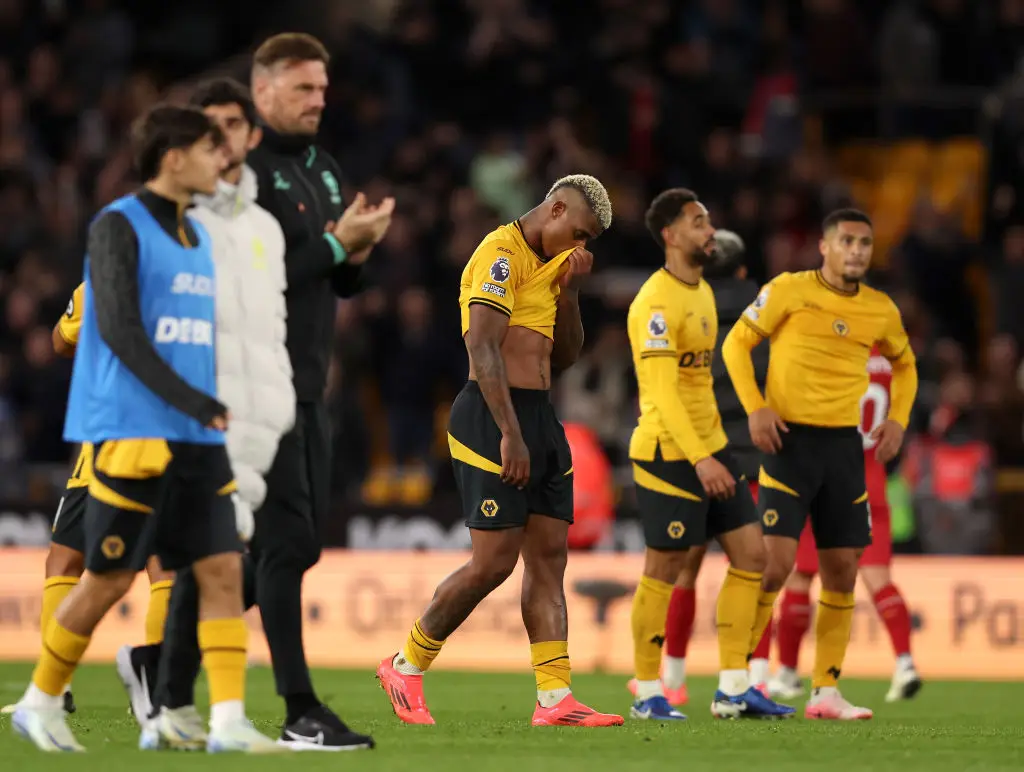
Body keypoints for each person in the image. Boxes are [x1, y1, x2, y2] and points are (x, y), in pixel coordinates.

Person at [11, 104, 277, 753]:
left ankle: (221, 721)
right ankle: (42, 701)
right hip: (133, 431)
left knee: (220, 571)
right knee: (104, 578)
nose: (221, 162)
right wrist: (191, 396)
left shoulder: (199, 237)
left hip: (197, 432)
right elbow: (125, 334)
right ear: (172, 156)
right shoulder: (118, 227)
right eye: (209, 150)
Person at [377, 175, 623, 728]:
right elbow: (482, 348)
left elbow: (564, 358)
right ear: (556, 208)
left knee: (549, 559)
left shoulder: (554, 265)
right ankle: (405, 665)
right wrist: (509, 432)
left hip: (540, 415)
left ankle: (555, 698)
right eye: (578, 234)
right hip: (492, 416)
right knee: (493, 564)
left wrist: (571, 293)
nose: (580, 247)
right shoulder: (500, 254)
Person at [113, 78, 298, 751]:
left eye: (232, 128)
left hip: (259, 414)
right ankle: (178, 701)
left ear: (251, 136)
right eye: (207, 132)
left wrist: (274, 399)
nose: (220, 145)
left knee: (221, 561)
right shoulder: (177, 223)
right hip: (200, 414)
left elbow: (268, 324)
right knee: (211, 561)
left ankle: (165, 691)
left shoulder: (265, 228)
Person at [245, 32, 393, 750]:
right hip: (254, 383)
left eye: (322, 92)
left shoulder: (323, 170)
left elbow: (334, 277)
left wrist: (355, 252)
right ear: (263, 89)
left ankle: (160, 657)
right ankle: (299, 708)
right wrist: (338, 246)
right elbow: (264, 273)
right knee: (288, 542)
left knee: (296, 549)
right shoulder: (243, 173)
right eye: (302, 90)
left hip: (309, 384)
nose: (316, 103)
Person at [721, 208, 919, 720]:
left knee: (843, 571)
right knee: (774, 567)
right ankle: (740, 682)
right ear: (825, 247)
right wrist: (756, 408)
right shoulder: (788, 290)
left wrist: (897, 419)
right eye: (847, 241)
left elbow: (906, 363)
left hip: (844, 450)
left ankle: (825, 692)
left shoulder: (880, 309)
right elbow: (736, 344)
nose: (856, 250)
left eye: (865, 243)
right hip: (789, 443)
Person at [623, 190, 793, 721]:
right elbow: (664, 395)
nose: (710, 229)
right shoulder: (655, 302)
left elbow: (698, 386)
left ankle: (734, 688)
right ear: (670, 235)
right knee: (665, 568)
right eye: (699, 222)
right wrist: (702, 458)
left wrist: (716, 450)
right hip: (668, 454)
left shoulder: (698, 293)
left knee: (753, 559)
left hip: (712, 449)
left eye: (709, 219)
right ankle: (650, 692)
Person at [0, 285, 175, 718]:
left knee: (65, 561)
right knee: (163, 565)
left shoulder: (107, 274)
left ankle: (52, 690)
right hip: (176, 428)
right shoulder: (197, 273)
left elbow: (61, 339)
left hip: (111, 433)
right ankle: (161, 689)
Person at [769, 350, 922, 704]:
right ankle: (905, 663)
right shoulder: (888, 361)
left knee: (801, 575)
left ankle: (788, 673)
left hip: (827, 476)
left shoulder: (831, 350)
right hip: (872, 479)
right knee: (877, 576)